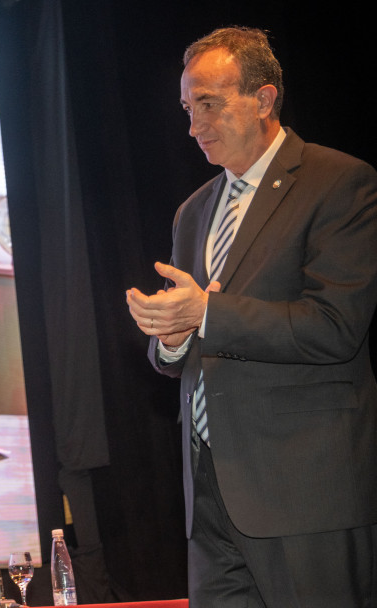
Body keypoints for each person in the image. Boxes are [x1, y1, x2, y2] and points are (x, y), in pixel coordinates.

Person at [126, 27, 377, 606]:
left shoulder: (339, 182)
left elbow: (335, 326)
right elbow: (188, 343)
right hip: (210, 493)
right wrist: (170, 337)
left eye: (208, 104)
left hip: (304, 489)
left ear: (263, 100)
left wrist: (207, 313)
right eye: (188, 108)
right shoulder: (193, 212)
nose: (192, 126)